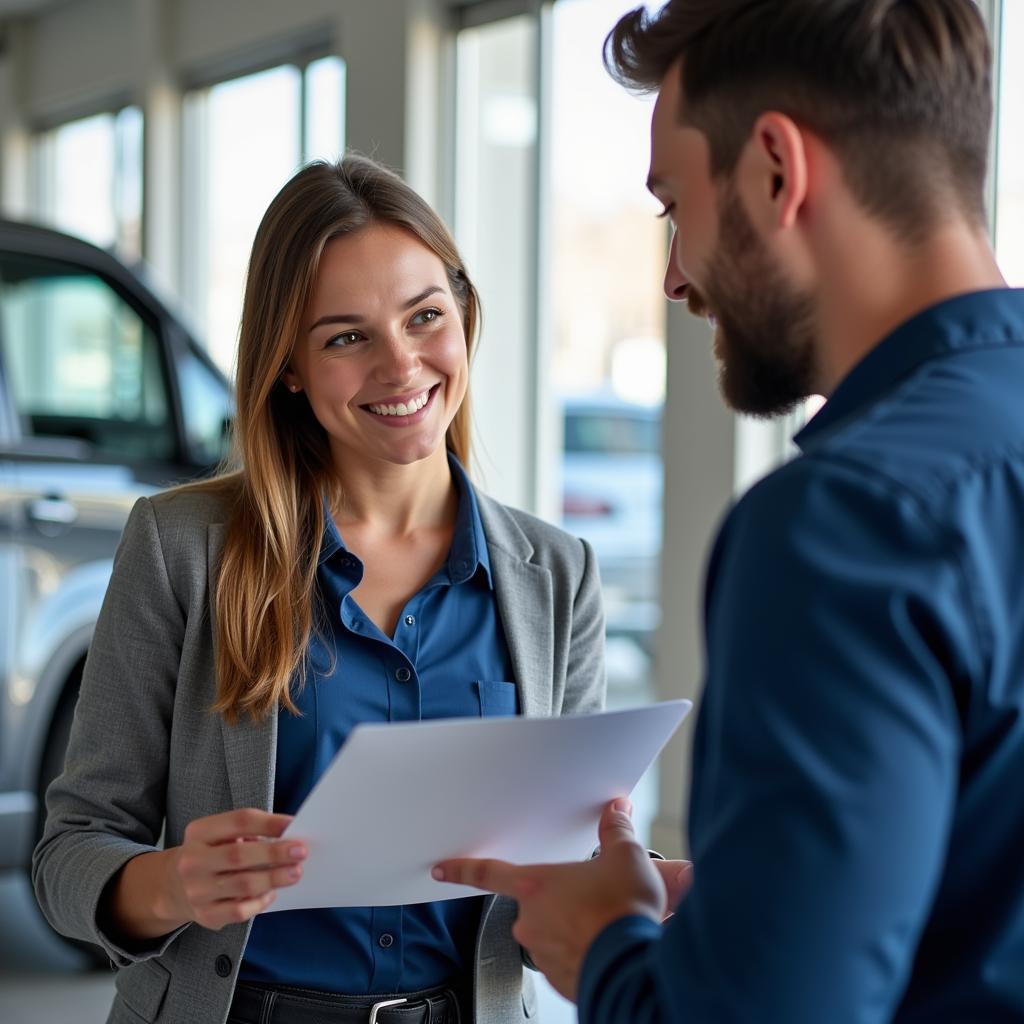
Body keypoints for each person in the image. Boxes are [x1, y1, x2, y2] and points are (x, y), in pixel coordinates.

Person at [434, 1, 1024, 1021]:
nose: (673, 277)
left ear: (774, 170)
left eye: (674, 206)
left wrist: (606, 951)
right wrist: (759, 907)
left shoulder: (842, 524)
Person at [32, 155, 606, 1024]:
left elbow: (539, 901)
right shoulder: (182, 548)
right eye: (347, 337)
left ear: (465, 318)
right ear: (289, 367)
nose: (401, 365)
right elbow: (66, 858)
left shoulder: (557, 579)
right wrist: (172, 883)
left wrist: (619, 893)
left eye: (425, 317)